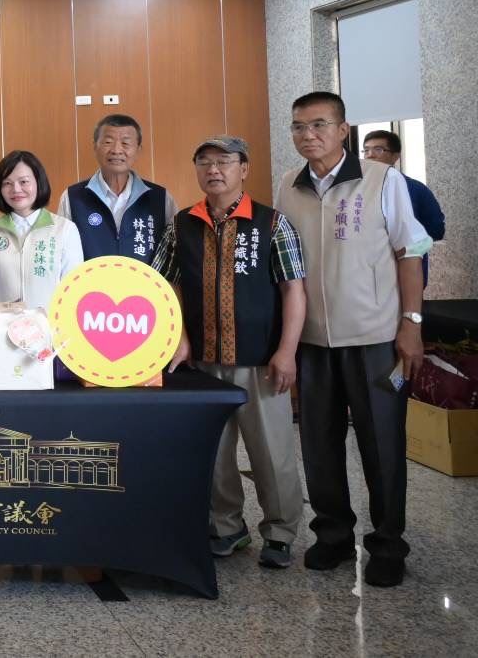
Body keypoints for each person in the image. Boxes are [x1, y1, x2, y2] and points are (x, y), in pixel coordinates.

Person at [276, 92, 432, 587]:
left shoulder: (381, 179)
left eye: (319, 125)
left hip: (374, 337)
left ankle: (388, 544)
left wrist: (411, 323)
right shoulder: (288, 186)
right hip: (312, 341)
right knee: (318, 445)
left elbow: (411, 251)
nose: (308, 135)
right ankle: (333, 536)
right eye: (299, 127)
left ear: (343, 130)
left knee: (381, 445)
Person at [153, 137, 308, 570]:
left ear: (244, 168)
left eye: (224, 161)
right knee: (215, 452)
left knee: (272, 452)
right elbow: (163, 285)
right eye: (204, 162)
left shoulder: (272, 223)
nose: (214, 170)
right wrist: (179, 336)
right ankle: (227, 527)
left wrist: (287, 351)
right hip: (201, 362)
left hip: (261, 361)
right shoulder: (181, 224)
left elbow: (294, 290)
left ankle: (279, 532)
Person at [57, 113, 177, 263]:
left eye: (125, 143)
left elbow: (174, 252)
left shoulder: (161, 198)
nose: (116, 150)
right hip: (91, 279)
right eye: (108, 142)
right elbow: (61, 253)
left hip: (145, 279)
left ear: (138, 149)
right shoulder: (73, 197)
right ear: (95, 146)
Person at [0, 150, 84, 308]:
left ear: (38, 182)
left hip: (50, 322)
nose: (16, 189)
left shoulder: (65, 229)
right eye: (7, 183)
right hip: (2, 322)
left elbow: (72, 287)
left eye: (24, 182)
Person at [361, 130, 445, 289]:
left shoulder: (416, 189)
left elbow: (436, 229)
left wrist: (406, 240)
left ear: (396, 156)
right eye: (366, 150)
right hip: (366, 278)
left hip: (405, 274)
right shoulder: (356, 190)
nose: (370, 155)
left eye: (378, 149)